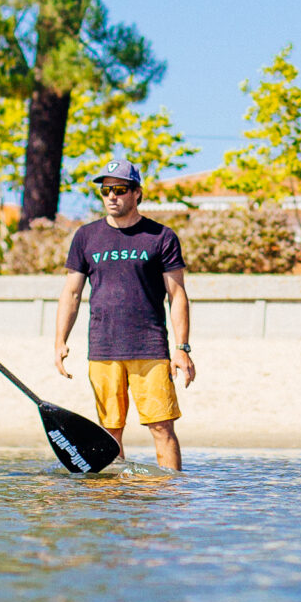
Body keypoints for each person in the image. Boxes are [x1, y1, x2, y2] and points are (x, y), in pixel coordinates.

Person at [52, 159, 196, 471]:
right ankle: (114, 504)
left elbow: (177, 294)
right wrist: (59, 340)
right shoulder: (86, 236)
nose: (111, 196)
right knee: (109, 431)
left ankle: (169, 496)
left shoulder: (161, 236)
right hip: (103, 349)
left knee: (161, 427)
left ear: (137, 193)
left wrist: (182, 349)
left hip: (149, 347)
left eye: (119, 189)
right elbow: (72, 292)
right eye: (105, 191)